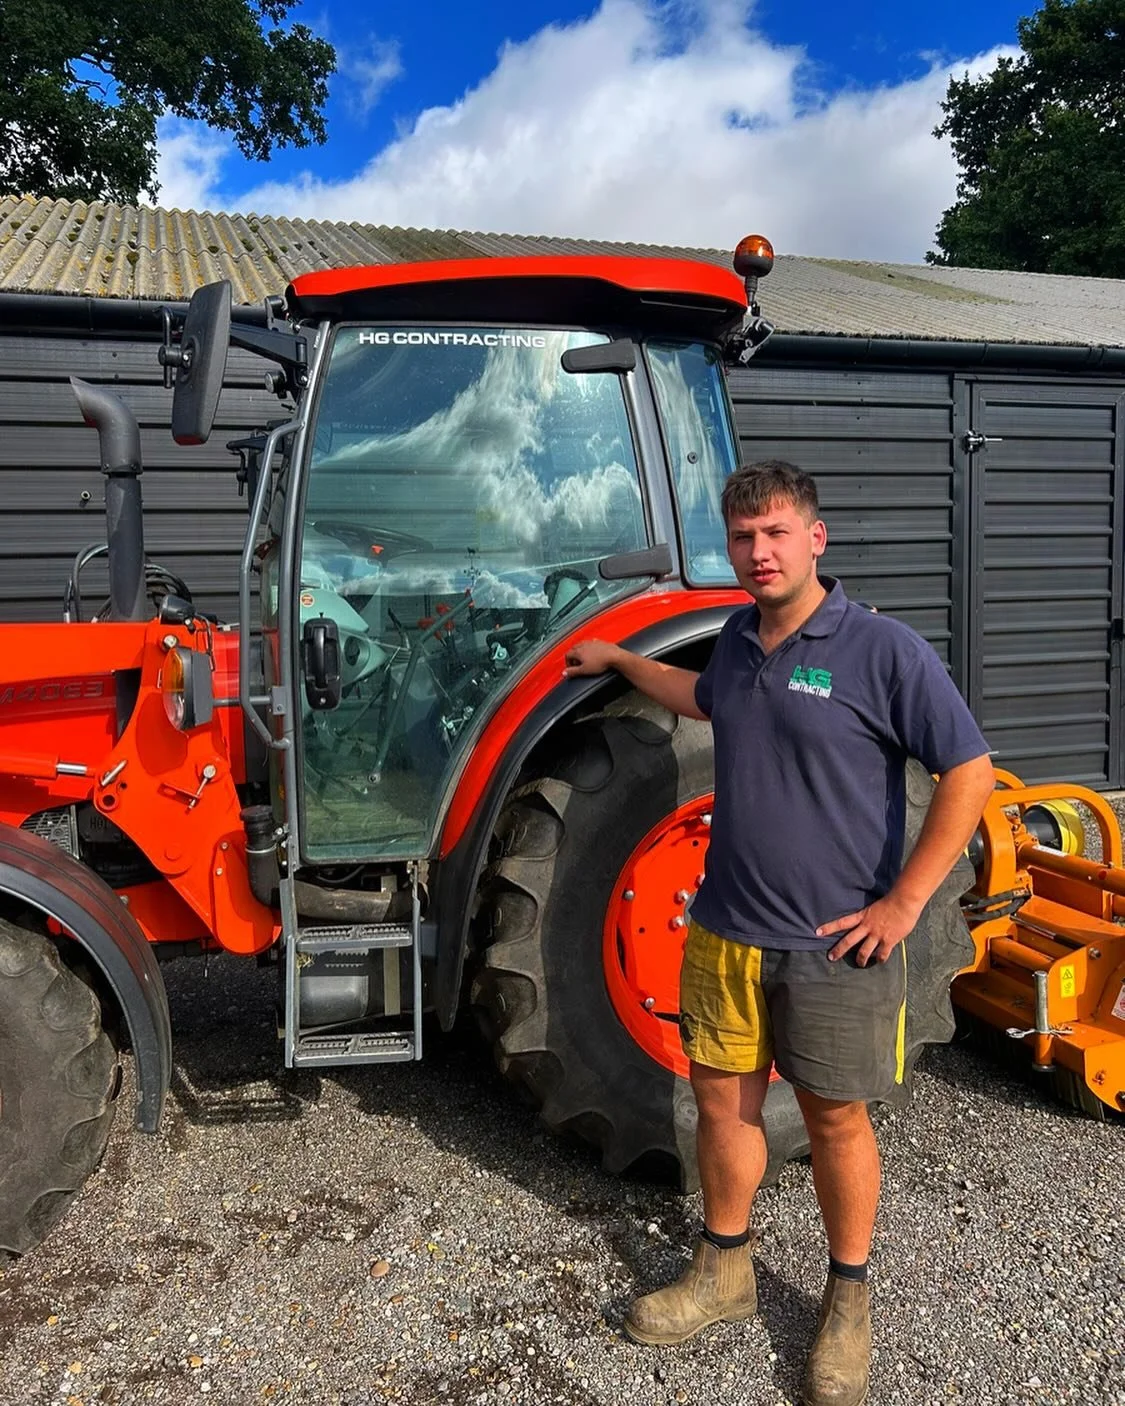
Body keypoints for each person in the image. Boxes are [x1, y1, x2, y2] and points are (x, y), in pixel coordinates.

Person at [562, 461, 994, 1406]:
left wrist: (902, 905)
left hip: (833, 946)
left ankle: (846, 1299)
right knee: (721, 1110)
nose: (758, 552)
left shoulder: (881, 651)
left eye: (775, 533)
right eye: (743, 537)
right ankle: (725, 1268)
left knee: (836, 1118)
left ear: (814, 538)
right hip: (723, 931)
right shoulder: (736, 641)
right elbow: (701, 701)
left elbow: (968, 773)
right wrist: (624, 664)